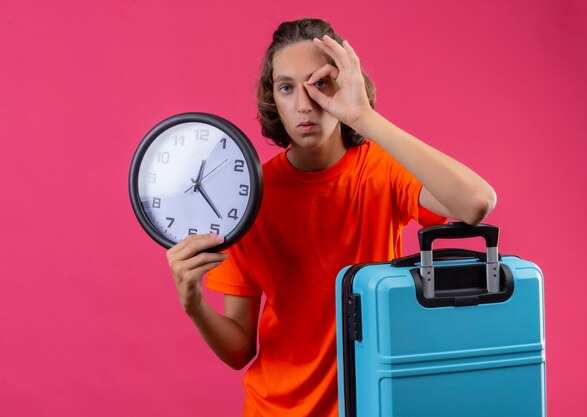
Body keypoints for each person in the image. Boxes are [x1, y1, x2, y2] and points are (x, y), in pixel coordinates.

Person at [166, 17, 496, 417]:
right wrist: (193, 302)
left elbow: (476, 201)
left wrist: (363, 117)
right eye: (287, 88)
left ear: (344, 85)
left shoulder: (381, 170)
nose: (304, 105)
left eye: (319, 84)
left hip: (370, 404)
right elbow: (239, 351)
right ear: (273, 99)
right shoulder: (247, 196)